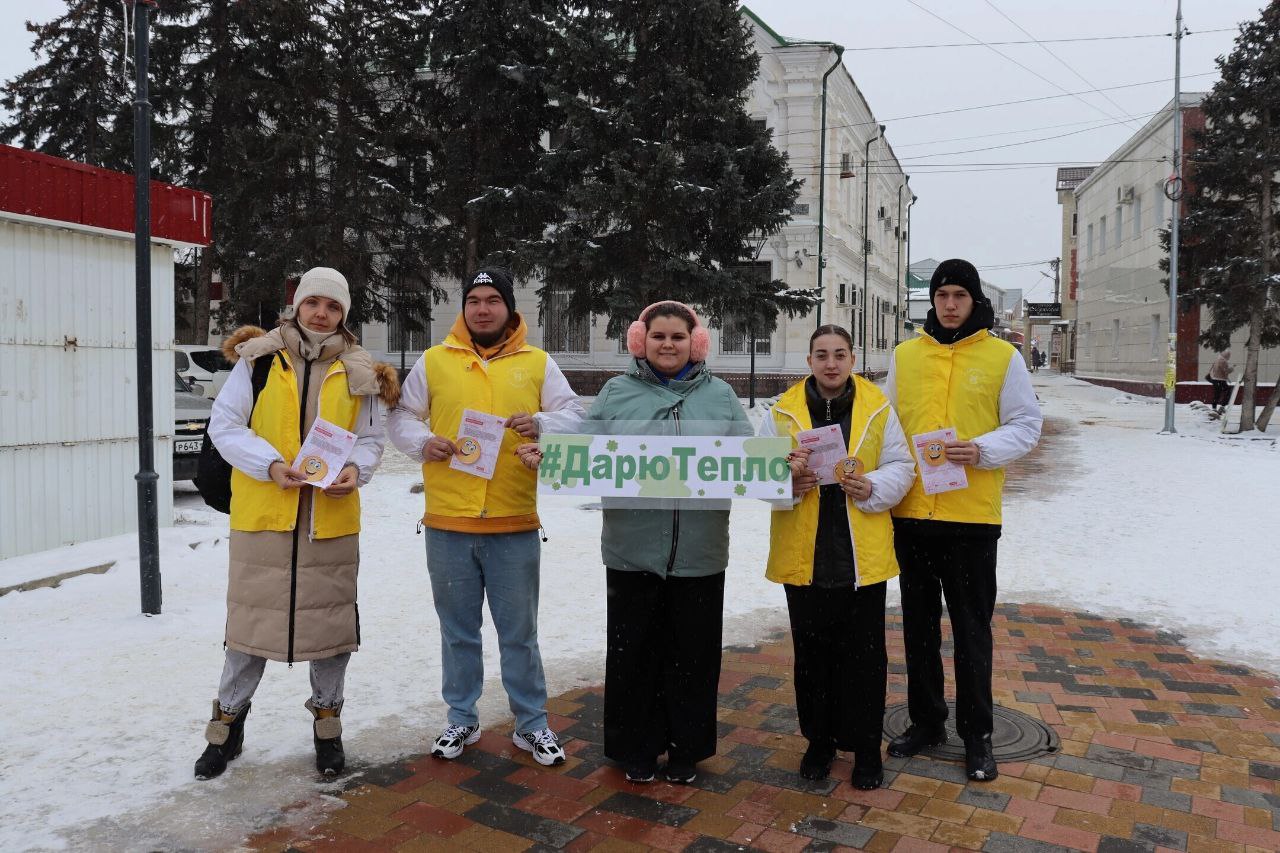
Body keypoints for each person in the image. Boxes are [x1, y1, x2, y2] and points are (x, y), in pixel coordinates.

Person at [196, 267, 399, 780]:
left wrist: (356, 470)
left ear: (344, 315)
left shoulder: (361, 372)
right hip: (264, 518)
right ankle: (226, 727)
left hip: (328, 522)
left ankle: (328, 728)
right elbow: (225, 425)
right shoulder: (259, 359)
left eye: (332, 307)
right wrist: (269, 464)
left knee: (330, 633)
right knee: (247, 631)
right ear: (298, 305)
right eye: (314, 303)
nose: (321, 313)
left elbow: (372, 440)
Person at [387, 268, 584, 767]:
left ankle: (531, 724)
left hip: (514, 521)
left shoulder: (537, 363)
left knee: (519, 632)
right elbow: (401, 417)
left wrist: (540, 422)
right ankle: (461, 717)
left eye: (492, 300)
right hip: (448, 521)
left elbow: (576, 415)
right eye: (473, 300)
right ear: (464, 309)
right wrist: (421, 442)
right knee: (458, 631)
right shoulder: (435, 361)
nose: (482, 309)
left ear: (508, 308)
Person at [886, 258, 1042, 782]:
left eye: (959, 295)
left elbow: (1025, 425)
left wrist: (981, 450)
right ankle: (927, 721)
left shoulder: (1003, 357)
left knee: (972, 631)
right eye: (942, 295)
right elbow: (887, 427)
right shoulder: (906, 355)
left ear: (975, 300)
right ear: (932, 300)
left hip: (971, 520)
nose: (949, 304)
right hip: (912, 515)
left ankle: (977, 736)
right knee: (918, 628)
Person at [585, 301, 751, 785]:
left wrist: (781, 467)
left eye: (678, 336)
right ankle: (635, 747)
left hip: (699, 552)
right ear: (641, 339)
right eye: (658, 335)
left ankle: (686, 749)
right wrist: (549, 455)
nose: (668, 345)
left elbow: (747, 458)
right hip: (631, 550)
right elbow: (584, 449)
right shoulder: (615, 392)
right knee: (633, 656)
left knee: (694, 659)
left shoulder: (720, 396)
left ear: (695, 342)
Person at [759, 325, 916, 789]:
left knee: (865, 660)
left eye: (840, 354)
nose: (831, 363)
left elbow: (902, 465)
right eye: (822, 355)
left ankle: (866, 746)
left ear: (852, 358)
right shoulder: (783, 411)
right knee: (811, 658)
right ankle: (820, 741)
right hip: (803, 557)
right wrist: (784, 483)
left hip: (859, 558)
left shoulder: (877, 407)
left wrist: (872, 487)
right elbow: (757, 469)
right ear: (809, 360)